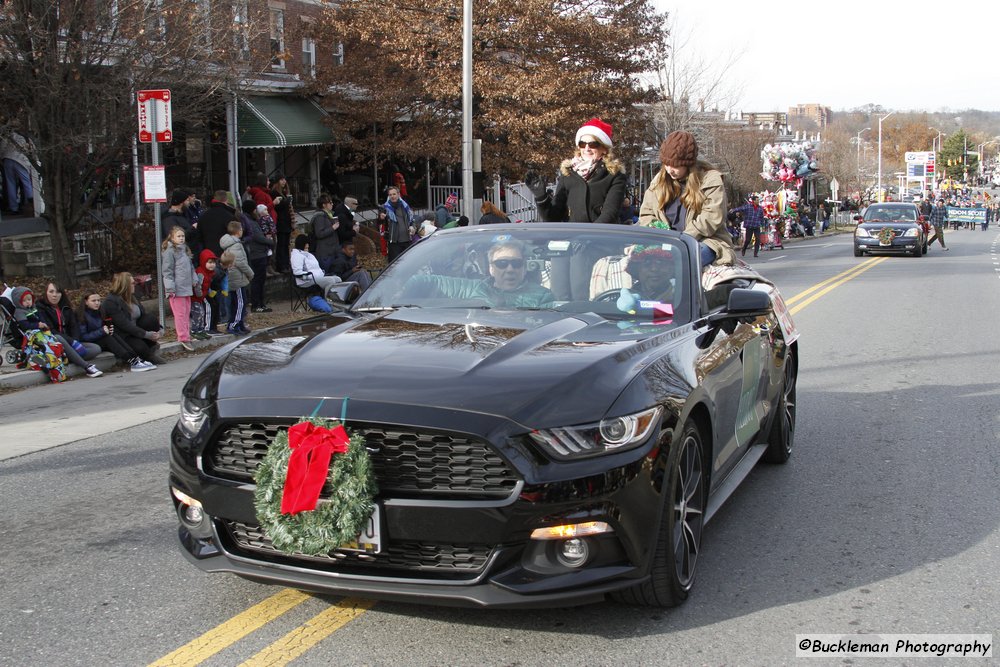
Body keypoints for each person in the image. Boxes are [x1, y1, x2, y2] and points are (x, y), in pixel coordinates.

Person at [525, 117, 627, 300]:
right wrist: (541, 197)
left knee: (580, 265)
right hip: (571, 242)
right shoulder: (568, 174)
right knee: (558, 262)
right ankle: (560, 314)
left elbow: (609, 214)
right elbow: (554, 217)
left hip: (600, 240)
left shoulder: (614, 175)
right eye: (582, 143)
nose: (587, 148)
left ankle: (583, 314)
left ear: (604, 148)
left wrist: (587, 237)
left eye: (593, 144)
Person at [639, 130, 735, 267]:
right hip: (663, 243)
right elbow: (646, 214)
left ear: (688, 164)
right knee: (634, 263)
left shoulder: (710, 180)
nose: (669, 170)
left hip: (705, 242)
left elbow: (711, 218)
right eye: (666, 164)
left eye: (675, 166)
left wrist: (680, 241)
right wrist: (660, 233)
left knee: (682, 261)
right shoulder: (658, 182)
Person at [402, 239, 554, 309]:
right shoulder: (474, 288)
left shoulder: (542, 296)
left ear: (524, 268)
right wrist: (398, 285)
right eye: (502, 263)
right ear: (491, 269)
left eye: (516, 263)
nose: (509, 269)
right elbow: (429, 281)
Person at [78, 292, 156, 371]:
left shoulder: (100, 311)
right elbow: (83, 337)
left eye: (99, 300)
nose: (97, 303)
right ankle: (132, 361)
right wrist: (101, 331)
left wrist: (108, 329)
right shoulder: (81, 315)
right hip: (90, 343)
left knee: (113, 334)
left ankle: (135, 358)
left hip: (100, 337)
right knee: (108, 338)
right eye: (93, 301)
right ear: (86, 302)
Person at [101, 272, 165, 365]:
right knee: (140, 348)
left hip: (137, 330)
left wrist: (160, 330)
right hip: (124, 334)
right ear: (124, 285)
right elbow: (124, 325)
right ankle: (146, 355)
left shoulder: (132, 297)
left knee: (150, 319)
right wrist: (147, 335)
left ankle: (150, 349)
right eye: (132, 283)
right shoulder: (111, 301)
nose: (134, 285)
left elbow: (143, 314)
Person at [35, 280, 101, 363]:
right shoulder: (41, 307)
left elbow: (74, 326)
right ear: (46, 293)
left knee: (96, 348)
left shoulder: (65, 307)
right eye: (51, 292)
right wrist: (72, 342)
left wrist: (75, 341)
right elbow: (51, 330)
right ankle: (80, 362)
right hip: (54, 342)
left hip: (70, 342)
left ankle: (69, 357)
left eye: (58, 292)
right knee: (59, 338)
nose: (54, 295)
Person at [161, 225, 201, 351]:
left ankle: (187, 335)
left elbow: (191, 267)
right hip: (177, 289)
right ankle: (183, 337)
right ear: (172, 238)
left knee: (186, 313)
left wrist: (194, 280)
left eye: (182, 236)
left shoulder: (184, 250)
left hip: (186, 287)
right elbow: (167, 271)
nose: (181, 238)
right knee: (180, 314)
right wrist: (170, 288)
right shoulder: (170, 252)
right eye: (178, 236)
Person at [220, 220, 254, 334]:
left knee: (237, 302)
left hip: (234, 277)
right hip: (237, 278)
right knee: (241, 302)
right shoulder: (236, 245)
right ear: (238, 231)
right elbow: (240, 262)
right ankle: (234, 324)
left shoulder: (229, 244)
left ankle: (238, 324)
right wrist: (250, 273)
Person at [240, 202, 274, 313]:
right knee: (258, 280)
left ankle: (260, 303)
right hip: (257, 254)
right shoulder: (250, 222)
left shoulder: (250, 221)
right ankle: (257, 304)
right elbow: (258, 237)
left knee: (259, 280)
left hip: (258, 253)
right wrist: (270, 242)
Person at [290, 234, 342, 298]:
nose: (308, 247)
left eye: (308, 247)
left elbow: (316, 268)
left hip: (317, 278)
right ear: (301, 245)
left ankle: (338, 300)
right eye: (306, 246)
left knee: (338, 279)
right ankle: (327, 301)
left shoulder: (309, 255)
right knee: (330, 281)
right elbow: (297, 274)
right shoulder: (296, 256)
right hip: (305, 282)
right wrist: (310, 277)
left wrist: (321, 274)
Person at [198, 190, 238, 256]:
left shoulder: (204, 216)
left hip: (209, 256)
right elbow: (236, 235)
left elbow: (199, 237)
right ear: (226, 200)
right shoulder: (229, 216)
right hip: (226, 255)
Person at [192, 249, 219, 339]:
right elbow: (198, 286)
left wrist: (209, 292)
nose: (212, 265)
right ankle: (195, 330)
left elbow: (207, 285)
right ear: (204, 262)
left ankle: (201, 329)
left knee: (201, 313)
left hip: (201, 296)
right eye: (209, 262)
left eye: (213, 263)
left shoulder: (209, 273)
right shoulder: (200, 273)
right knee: (199, 313)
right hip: (196, 298)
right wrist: (200, 295)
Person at [311, 194, 341, 273]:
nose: (332, 204)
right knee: (327, 274)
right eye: (330, 203)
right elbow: (319, 233)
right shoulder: (319, 216)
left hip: (332, 251)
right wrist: (333, 228)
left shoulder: (330, 215)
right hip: (325, 253)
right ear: (324, 205)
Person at [270, 174, 294, 273]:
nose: (284, 181)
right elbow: (277, 207)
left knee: (286, 244)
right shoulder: (274, 193)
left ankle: (286, 264)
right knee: (281, 244)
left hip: (286, 222)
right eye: (281, 180)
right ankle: (281, 265)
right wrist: (286, 202)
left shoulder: (284, 192)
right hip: (280, 222)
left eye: (284, 179)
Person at [384, 186, 414, 263]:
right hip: (394, 242)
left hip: (407, 240)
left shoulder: (405, 206)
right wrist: (381, 218)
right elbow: (381, 223)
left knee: (407, 263)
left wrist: (413, 227)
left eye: (394, 194)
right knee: (395, 264)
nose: (392, 196)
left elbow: (412, 220)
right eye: (390, 195)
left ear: (398, 194)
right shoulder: (385, 208)